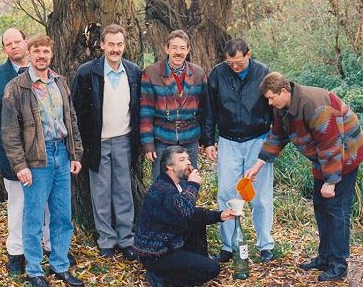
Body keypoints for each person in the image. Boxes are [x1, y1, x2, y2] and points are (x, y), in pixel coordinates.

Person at [245, 72, 363, 282]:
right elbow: (277, 135)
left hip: (345, 151)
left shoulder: (313, 104)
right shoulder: (282, 108)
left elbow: (331, 143)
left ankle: (338, 264)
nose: (270, 102)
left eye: (272, 97)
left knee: (337, 209)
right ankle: (325, 257)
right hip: (324, 156)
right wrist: (258, 164)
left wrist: (331, 181)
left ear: (283, 91)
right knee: (320, 204)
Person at [0, 28, 76, 276]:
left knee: (54, 209)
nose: (14, 46)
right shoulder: (1, 82)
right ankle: (20, 256)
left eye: (18, 41)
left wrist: (73, 152)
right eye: (9, 43)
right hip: (20, 156)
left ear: (25, 43)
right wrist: (18, 161)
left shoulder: (56, 80)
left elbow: (69, 119)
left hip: (55, 154)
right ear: (5, 49)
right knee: (22, 209)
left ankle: (54, 253)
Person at [71, 24, 141, 261]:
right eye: (110, 44)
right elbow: (76, 110)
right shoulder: (86, 72)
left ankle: (126, 239)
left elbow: (138, 109)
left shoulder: (133, 72)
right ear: (101, 45)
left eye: (119, 44)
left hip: (124, 138)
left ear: (124, 45)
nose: (115, 49)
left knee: (123, 191)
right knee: (100, 192)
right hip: (97, 142)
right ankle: (106, 240)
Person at [203, 37, 275, 262]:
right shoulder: (218, 74)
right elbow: (209, 110)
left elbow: (274, 110)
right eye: (230, 62)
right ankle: (228, 245)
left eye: (239, 63)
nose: (235, 67)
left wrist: (272, 145)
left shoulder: (263, 72)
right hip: (228, 140)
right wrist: (208, 141)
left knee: (260, 196)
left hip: (257, 139)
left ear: (248, 55)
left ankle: (265, 244)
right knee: (226, 192)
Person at [133, 146, 235, 287]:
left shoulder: (175, 185)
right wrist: (193, 184)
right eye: (182, 159)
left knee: (197, 221)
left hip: (169, 244)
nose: (188, 162)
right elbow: (185, 210)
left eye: (188, 158)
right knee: (212, 268)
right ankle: (162, 278)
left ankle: (194, 262)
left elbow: (192, 213)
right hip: (157, 254)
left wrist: (220, 215)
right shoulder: (163, 189)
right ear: (170, 166)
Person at [140, 29, 207, 180]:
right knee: (161, 184)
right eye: (174, 47)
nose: (178, 52)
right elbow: (146, 112)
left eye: (182, 48)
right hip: (162, 138)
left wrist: (204, 140)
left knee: (189, 183)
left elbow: (204, 110)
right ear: (166, 49)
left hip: (190, 137)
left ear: (188, 50)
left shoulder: (198, 73)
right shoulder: (151, 73)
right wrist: (148, 143)